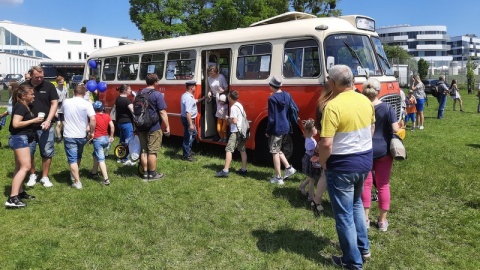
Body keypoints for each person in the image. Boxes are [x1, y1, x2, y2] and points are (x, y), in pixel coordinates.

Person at [317, 65, 374, 269]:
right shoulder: (365, 101)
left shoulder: (332, 106)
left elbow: (326, 143)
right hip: (365, 161)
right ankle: (363, 248)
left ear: (333, 83)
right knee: (356, 203)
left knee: (344, 215)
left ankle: (352, 261)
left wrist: (323, 162)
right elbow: (372, 127)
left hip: (342, 165)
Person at [360, 78, 399, 233]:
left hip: (365, 149)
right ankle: (382, 221)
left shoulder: (361, 107)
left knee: (366, 184)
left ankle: (365, 219)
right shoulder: (388, 108)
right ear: (379, 91)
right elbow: (395, 129)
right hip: (383, 149)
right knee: (383, 185)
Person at [5, 85, 43, 208]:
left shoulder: (24, 106)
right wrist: (33, 121)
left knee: (19, 167)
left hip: (21, 138)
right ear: (23, 96)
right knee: (26, 166)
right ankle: (12, 198)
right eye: (31, 94)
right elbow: (16, 124)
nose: (33, 96)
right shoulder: (21, 107)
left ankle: (19, 193)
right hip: (19, 138)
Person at [23, 66, 59, 188]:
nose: (39, 79)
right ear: (31, 76)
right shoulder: (24, 86)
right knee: (29, 152)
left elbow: (54, 103)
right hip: (28, 126)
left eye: (42, 77)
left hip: (46, 125)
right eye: (37, 77)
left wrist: (49, 120)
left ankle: (45, 176)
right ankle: (32, 174)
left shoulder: (49, 86)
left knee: (47, 152)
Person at [62, 84, 96, 189]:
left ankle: (77, 181)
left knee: (72, 158)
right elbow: (93, 119)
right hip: (81, 134)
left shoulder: (66, 102)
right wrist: (92, 132)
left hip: (69, 134)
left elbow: (63, 114)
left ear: (74, 92)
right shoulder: (87, 104)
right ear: (85, 93)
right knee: (78, 156)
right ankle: (74, 176)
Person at [310, 83, 336, 216]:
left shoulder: (321, 105)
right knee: (330, 173)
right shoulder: (332, 105)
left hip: (323, 140)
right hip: (333, 142)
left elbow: (318, 126)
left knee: (325, 173)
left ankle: (317, 200)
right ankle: (321, 200)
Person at [138, 73, 170, 180]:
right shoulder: (157, 94)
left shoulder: (140, 92)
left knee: (143, 150)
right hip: (154, 126)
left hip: (141, 125)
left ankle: (145, 173)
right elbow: (162, 112)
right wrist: (168, 126)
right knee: (152, 151)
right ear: (155, 82)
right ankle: (152, 174)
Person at [266, 75, 297, 185]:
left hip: (276, 129)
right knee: (278, 149)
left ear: (271, 85)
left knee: (274, 152)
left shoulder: (271, 99)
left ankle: (278, 178)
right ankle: (289, 168)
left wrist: (268, 131)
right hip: (286, 127)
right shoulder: (287, 95)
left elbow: (271, 119)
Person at [215, 90, 248, 177]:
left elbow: (234, 120)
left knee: (229, 149)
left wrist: (228, 119)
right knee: (242, 150)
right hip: (242, 131)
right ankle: (244, 169)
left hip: (235, 131)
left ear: (230, 97)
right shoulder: (240, 105)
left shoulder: (233, 107)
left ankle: (225, 170)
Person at [181, 80, 206, 161]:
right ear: (192, 88)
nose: (196, 88)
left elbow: (194, 101)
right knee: (188, 137)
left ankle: (188, 150)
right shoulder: (188, 98)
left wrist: (203, 98)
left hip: (187, 119)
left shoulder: (187, 96)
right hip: (188, 119)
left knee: (194, 134)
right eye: (195, 86)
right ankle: (186, 155)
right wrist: (191, 124)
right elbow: (188, 112)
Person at [90, 101, 115, 185]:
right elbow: (112, 126)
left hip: (98, 139)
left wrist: (91, 133)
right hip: (105, 139)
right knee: (95, 154)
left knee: (101, 159)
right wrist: (111, 136)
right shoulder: (107, 116)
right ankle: (94, 172)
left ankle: (106, 179)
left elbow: (91, 126)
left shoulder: (94, 117)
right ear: (102, 108)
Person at [298, 119, 321, 202]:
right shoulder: (310, 142)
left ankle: (302, 186)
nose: (317, 130)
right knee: (312, 179)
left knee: (312, 177)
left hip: (311, 159)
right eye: (316, 129)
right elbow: (313, 151)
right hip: (311, 160)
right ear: (311, 130)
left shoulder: (310, 138)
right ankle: (311, 197)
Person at [114, 84, 136, 165]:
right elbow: (133, 110)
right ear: (125, 90)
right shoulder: (127, 100)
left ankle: (120, 157)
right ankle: (125, 159)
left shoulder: (118, 98)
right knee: (128, 141)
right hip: (127, 123)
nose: (130, 91)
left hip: (120, 122)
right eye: (129, 89)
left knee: (122, 140)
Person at [207, 65, 228, 141]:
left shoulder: (221, 77)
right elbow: (210, 87)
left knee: (219, 115)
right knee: (214, 115)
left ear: (216, 72)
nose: (211, 75)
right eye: (210, 73)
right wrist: (209, 92)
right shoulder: (209, 78)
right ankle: (218, 133)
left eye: (212, 73)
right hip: (214, 98)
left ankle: (221, 134)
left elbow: (226, 88)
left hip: (221, 98)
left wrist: (222, 91)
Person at [54, 75, 69, 143]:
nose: (62, 83)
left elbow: (66, 97)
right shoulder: (55, 90)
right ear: (57, 82)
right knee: (58, 124)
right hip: (57, 109)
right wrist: (55, 111)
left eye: (63, 82)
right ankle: (58, 137)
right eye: (60, 82)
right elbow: (54, 101)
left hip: (64, 109)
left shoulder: (65, 89)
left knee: (64, 124)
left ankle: (63, 134)